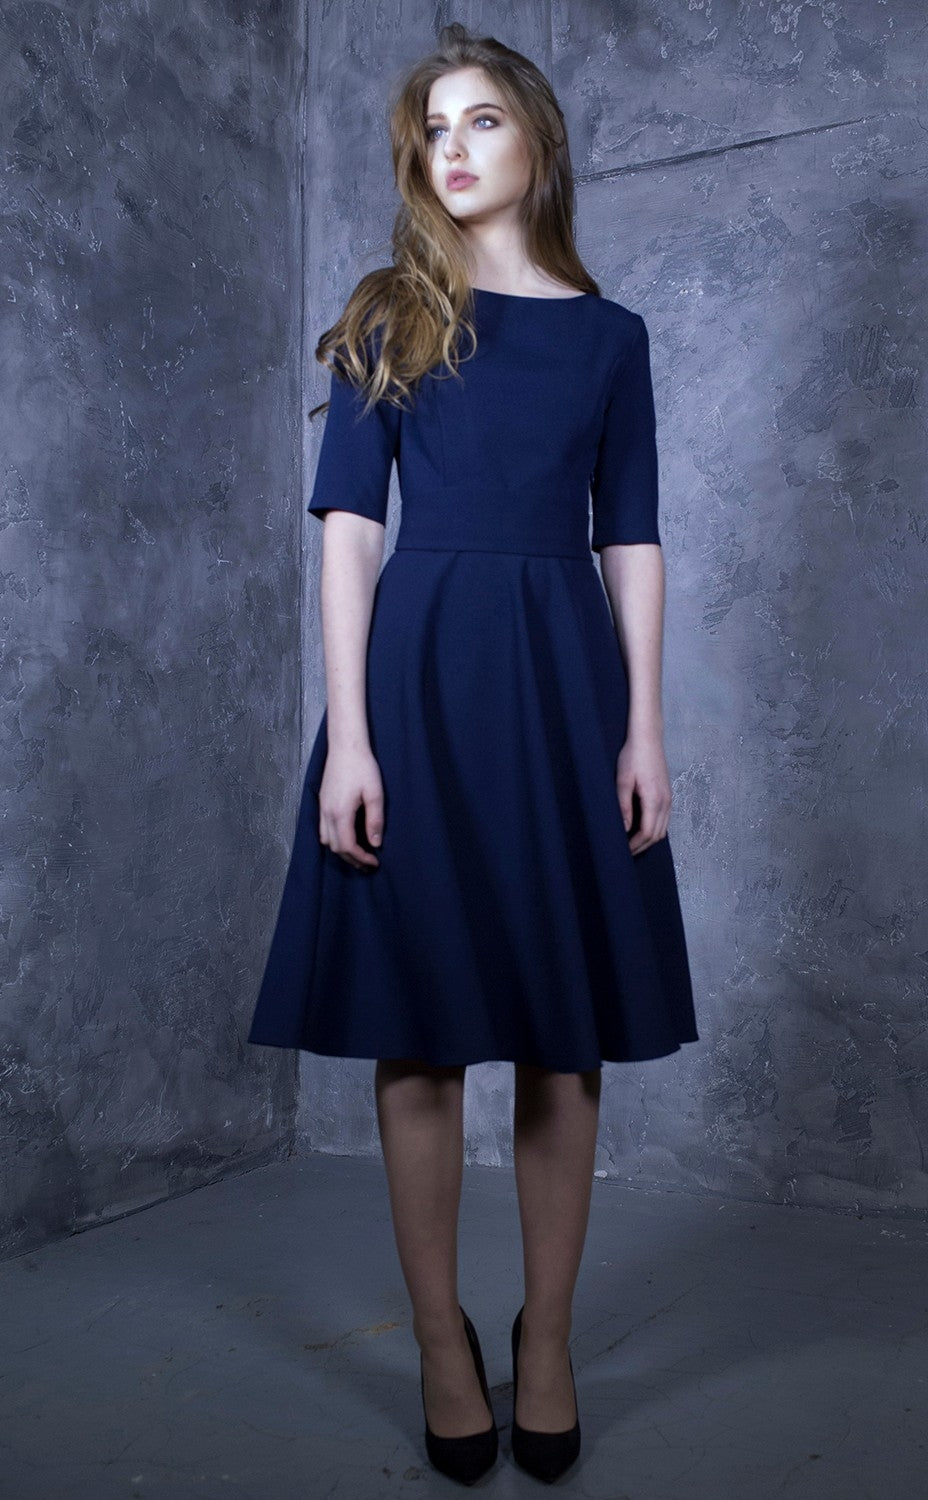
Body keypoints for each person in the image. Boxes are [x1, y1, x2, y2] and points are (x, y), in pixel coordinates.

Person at [247, 20, 699, 1486]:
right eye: (432, 128)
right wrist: (349, 737)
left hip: (564, 682)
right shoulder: (389, 315)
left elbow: (632, 538)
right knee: (421, 1018)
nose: (452, 147)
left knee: (567, 1030)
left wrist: (643, 726)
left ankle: (544, 1338)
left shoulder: (611, 338)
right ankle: (443, 1343)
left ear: (538, 142)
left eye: (481, 119)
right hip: (420, 678)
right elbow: (347, 536)